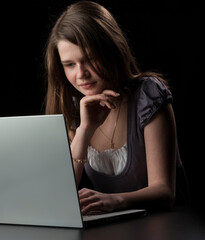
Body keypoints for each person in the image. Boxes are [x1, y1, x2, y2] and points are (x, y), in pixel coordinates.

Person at [44, 1, 188, 215]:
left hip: (168, 226)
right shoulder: (75, 109)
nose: (81, 73)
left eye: (90, 59)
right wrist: (85, 131)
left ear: (111, 50)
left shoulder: (148, 95)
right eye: (70, 64)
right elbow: (60, 195)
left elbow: (165, 193)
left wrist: (113, 201)